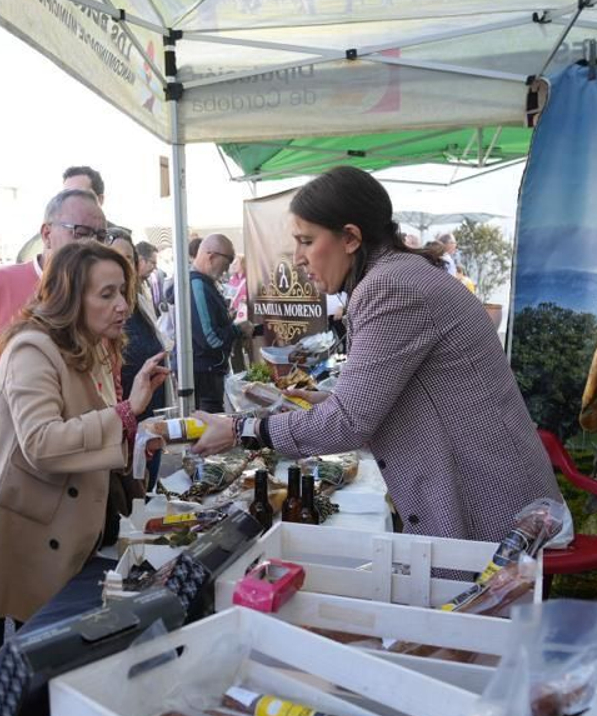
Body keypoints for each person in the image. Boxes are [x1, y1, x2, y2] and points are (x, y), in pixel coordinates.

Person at [190, 166, 558, 542]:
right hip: (494, 493)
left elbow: (347, 423)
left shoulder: (389, 287)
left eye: (306, 240)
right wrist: (332, 400)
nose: (298, 257)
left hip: (488, 504)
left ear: (350, 237)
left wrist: (243, 429)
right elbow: (397, 396)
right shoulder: (400, 274)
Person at [0, 187, 108, 676]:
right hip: (0, 469)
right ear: (46, 233)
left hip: (64, 476)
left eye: (100, 233)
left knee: (49, 603)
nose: (91, 241)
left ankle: (28, 697)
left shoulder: (93, 296)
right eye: (81, 231)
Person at [0, 241, 168, 624]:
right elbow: (42, 443)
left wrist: (134, 436)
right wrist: (126, 413)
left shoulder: (95, 345)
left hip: (81, 528)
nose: (122, 304)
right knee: (39, 655)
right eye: (107, 294)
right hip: (40, 535)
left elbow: (95, 424)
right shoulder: (32, 349)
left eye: (123, 291)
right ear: (70, 299)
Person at [110, 232, 168, 420]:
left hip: (150, 410)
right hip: (124, 414)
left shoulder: (139, 301)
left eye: (128, 257)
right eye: (115, 256)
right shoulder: (101, 311)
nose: (122, 264)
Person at [187, 232, 240, 412]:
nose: (226, 271)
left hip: (208, 371)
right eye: (225, 265)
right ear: (211, 257)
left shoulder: (204, 283)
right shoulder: (197, 285)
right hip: (204, 374)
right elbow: (210, 339)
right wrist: (237, 330)